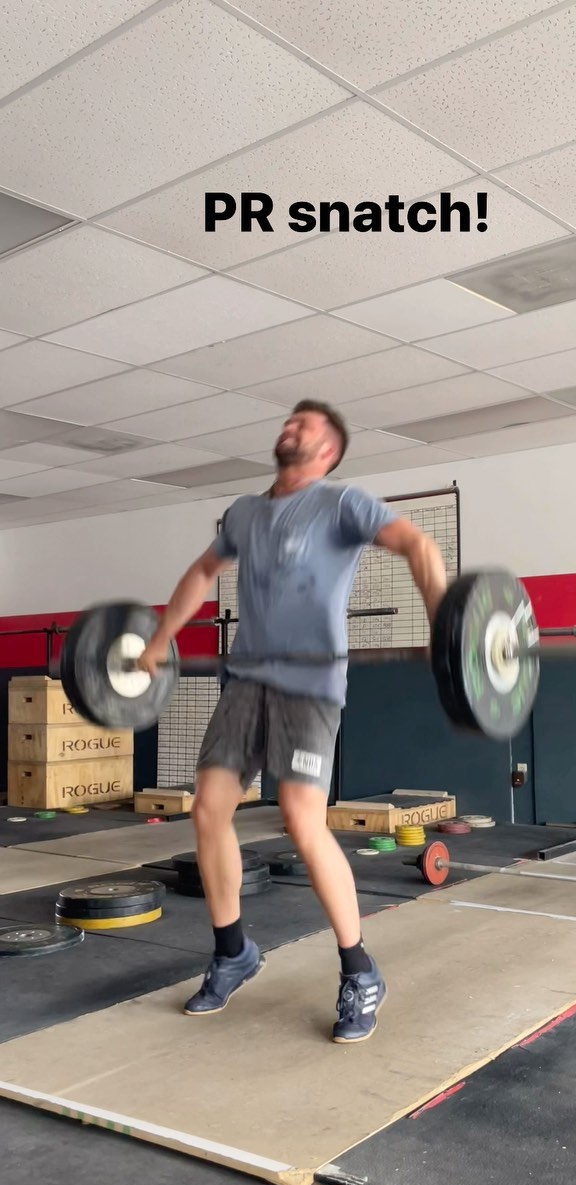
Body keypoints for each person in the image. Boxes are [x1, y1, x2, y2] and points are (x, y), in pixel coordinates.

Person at [139, 399, 448, 1043]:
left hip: (309, 687)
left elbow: (416, 543)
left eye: (305, 425)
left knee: (303, 820)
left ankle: (360, 970)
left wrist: (447, 622)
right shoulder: (245, 514)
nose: (290, 427)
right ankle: (232, 952)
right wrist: (159, 639)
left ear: (329, 449)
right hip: (247, 680)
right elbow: (202, 572)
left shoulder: (343, 504)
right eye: (289, 420)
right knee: (207, 810)